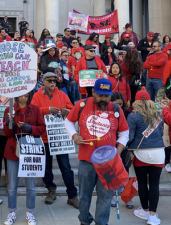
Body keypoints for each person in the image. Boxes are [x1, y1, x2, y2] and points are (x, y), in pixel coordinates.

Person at [65, 79, 129, 225]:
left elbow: (125, 132)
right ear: (93, 92)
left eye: (106, 96)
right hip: (86, 161)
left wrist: (117, 153)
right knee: (83, 196)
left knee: (106, 196)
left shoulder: (116, 109)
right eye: (100, 95)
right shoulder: (81, 105)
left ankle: (101, 222)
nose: (103, 99)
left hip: (108, 163)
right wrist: (74, 135)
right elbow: (68, 121)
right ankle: (84, 220)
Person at [31, 72, 78, 207]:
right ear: (43, 81)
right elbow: (33, 112)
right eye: (49, 80)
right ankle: (51, 190)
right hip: (44, 137)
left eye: (54, 80)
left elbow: (72, 109)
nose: (52, 83)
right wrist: (47, 109)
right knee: (46, 168)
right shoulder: (36, 95)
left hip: (60, 137)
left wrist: (67, 111)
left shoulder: (62, 94)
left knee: (66, 167)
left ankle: (72, 195)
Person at [3, 92, 46, 225]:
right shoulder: (9, 109)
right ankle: (11, 212)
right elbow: (7, 133)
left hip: (30, 151)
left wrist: (30, 128)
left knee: (31, 186)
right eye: (21, 95)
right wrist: (10, 124)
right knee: (12, 186)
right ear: (16, 96)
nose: (24, 98)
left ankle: (30, 212)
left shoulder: (35, 109)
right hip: (13, 151)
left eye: (26, 95)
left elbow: (42, 128)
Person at [128, 90, 164, 225]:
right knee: (154, 184)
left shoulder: (133, 116)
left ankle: (144, 210)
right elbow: (160, 133)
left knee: (142, 183)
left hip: (141, 153)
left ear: (136, 102)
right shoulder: (158, 115)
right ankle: (152, 216)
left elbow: (130, 136)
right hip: (159, 152)